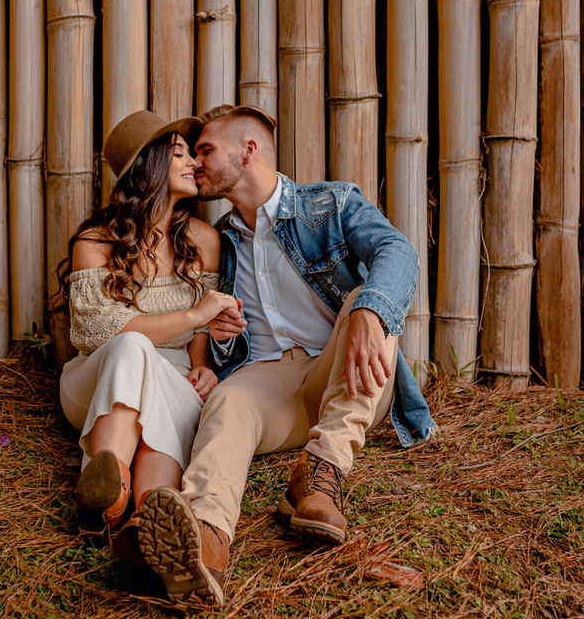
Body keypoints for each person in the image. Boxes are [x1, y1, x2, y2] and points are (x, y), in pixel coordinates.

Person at [134, 105, 438, 608]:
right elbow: (227, 348)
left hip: (342, 371)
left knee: (370, 306)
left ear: (248, 150)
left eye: (206, 150)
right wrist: (222, 335)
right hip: (271, 383)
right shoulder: (220, 243)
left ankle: (322, 473)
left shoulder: (329, 204)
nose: (197, 163)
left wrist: (368, 309)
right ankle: (205, 539)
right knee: (230, 402)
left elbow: (398, 251)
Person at [56, 110, 236, 564]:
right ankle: (112, 486)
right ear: (150, 167)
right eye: (180, 153)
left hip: (171, 376)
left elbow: (199, 336)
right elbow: (100, 330)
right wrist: (194, 311)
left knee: (167, 391)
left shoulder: (204, 241)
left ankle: (147, 516)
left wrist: (202, 365)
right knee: (134, 347)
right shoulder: (95, 242)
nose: (194, 162)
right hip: (94, 379)